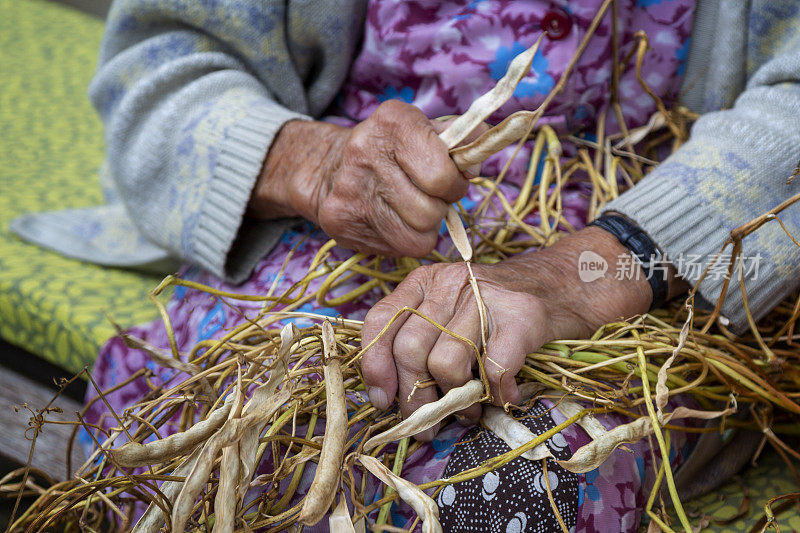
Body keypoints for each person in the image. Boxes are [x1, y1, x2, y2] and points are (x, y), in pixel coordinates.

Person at [16, 0, 800, 530]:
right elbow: (161, 59)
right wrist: (309, 161)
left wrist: (576, 274)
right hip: (324, 237)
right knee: (192, 436)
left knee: (506, 489)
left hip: (652, 284)